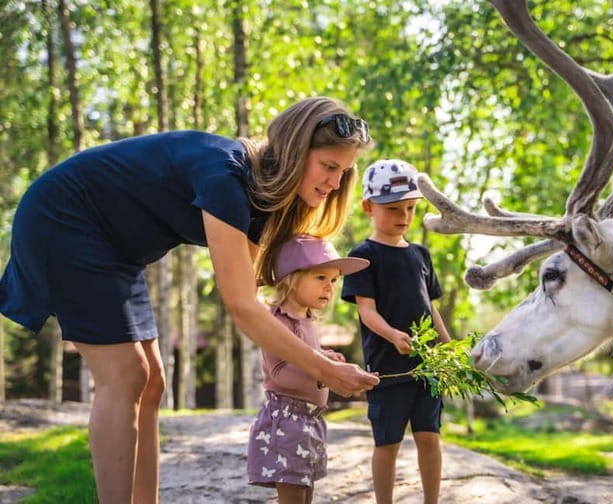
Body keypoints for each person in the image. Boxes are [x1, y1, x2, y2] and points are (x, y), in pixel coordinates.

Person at [0, 97, 380, 504]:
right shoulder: (226, 177)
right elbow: (240, 305)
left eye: (344, 171)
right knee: (126, 375)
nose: (335, 182)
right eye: (328, 166)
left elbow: (252, 297)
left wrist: (315, 356)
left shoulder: (261, 200)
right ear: (293, 151)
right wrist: (320, 366)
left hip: (117, 250)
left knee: (151, 382)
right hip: (65, 218)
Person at [341, 159, 451, 504]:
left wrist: (449, 349)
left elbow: (430, 308)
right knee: (387, 443)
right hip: (386, 370)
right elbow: (367, 312)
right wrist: (393, 337)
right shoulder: (363, 256)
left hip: (427, 369)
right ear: (368, 208)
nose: (403, 217)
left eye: (410, 208)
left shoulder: (421, 255)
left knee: (429, 438)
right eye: (393, 209)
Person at [247, 234, 369, 503]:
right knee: (293, 494)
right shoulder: (277, 322)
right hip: (286, 422)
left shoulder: (308, 320)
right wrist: (323, 373)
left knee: (307, 492)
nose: (330, 287)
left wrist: (325, 358)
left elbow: (306, 357)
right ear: (291, 277)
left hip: (311, 420)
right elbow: (280, 373)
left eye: (334, 280)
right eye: (320, 278)